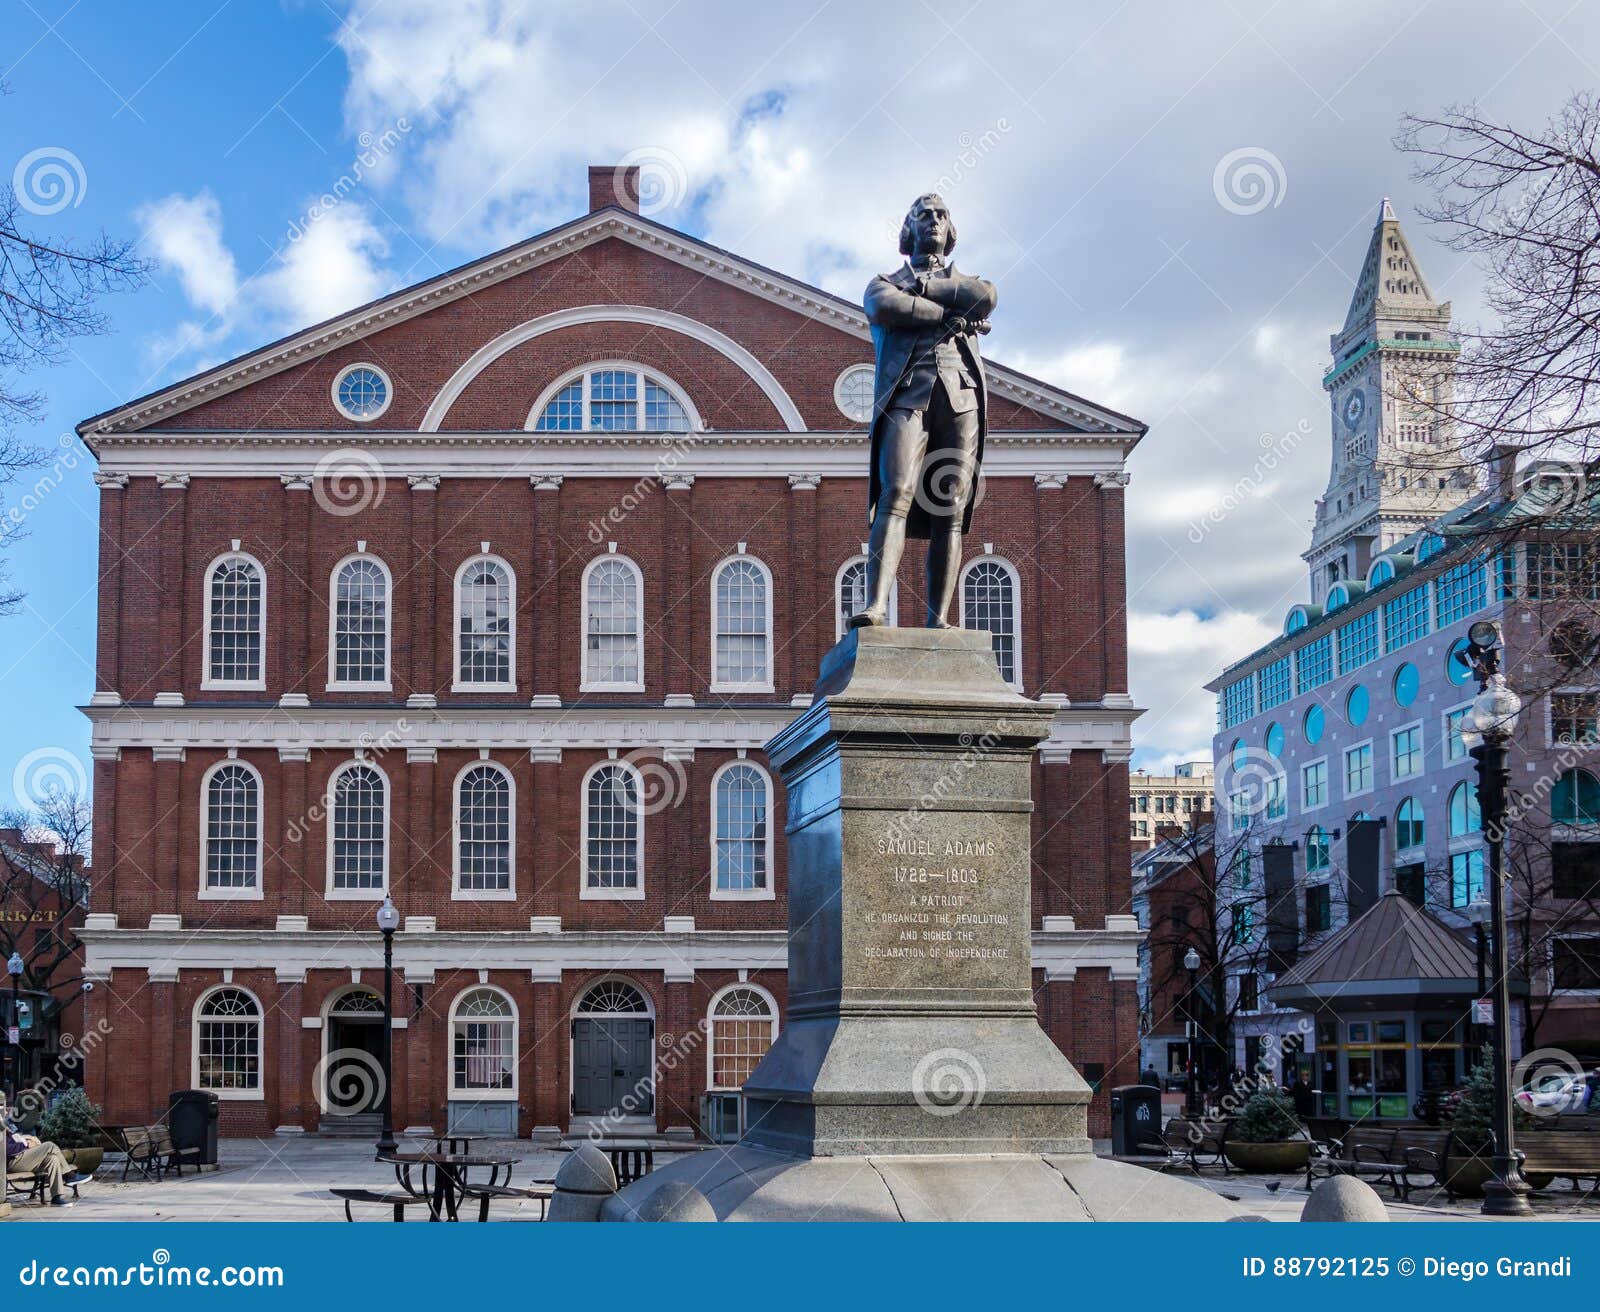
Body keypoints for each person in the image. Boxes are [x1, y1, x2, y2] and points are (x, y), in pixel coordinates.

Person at [4, 1110, 90, 1208]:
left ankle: (57, 1197)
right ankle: (69, 1175)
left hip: (20, 1158)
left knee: (52, 1158)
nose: (6, 1111)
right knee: (49, 1145)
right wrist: (26, 1144)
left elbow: (12, 1141)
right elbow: (6, 1149)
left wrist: (25, 1140)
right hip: (11, 1161)